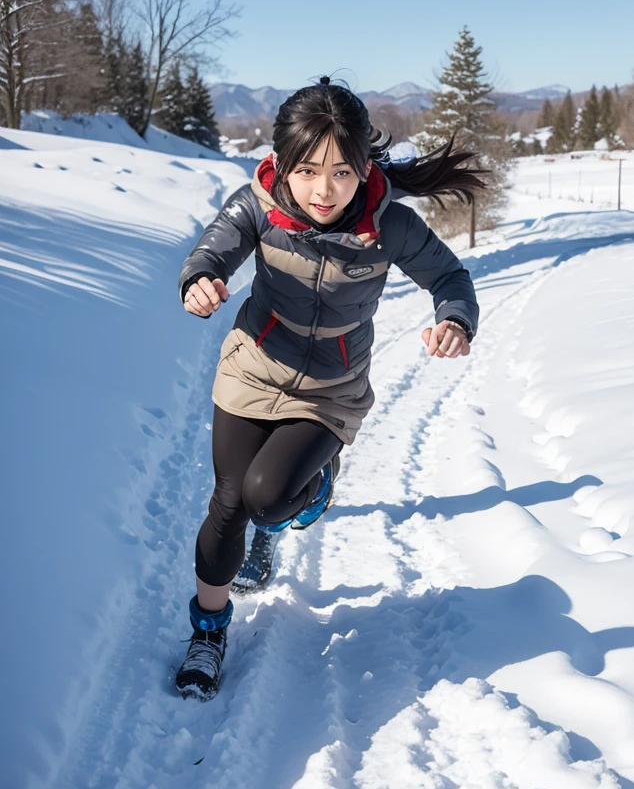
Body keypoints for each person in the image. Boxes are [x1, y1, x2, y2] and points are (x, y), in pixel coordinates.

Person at [174, 76, 485, 699]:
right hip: (252, 368)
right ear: (282, 164)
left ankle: (310, 491)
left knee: (270, 498)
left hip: (330, 388)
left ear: (365, 168)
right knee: (230, 501)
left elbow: (449, 275)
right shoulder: (256, 206)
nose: (325, 189)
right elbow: (211, 252)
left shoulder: (388, 225)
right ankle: (208, 633)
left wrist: (454, 317)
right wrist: (200, 281)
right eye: (309, 169)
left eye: (342, 172)